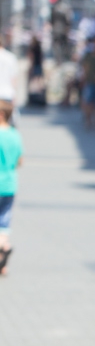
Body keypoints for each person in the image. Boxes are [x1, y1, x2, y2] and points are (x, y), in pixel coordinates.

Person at [0, 99, 20, 275]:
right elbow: (20, 161)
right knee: (4, 220)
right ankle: (4, 248)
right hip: (9, 185)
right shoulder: (14, 134)